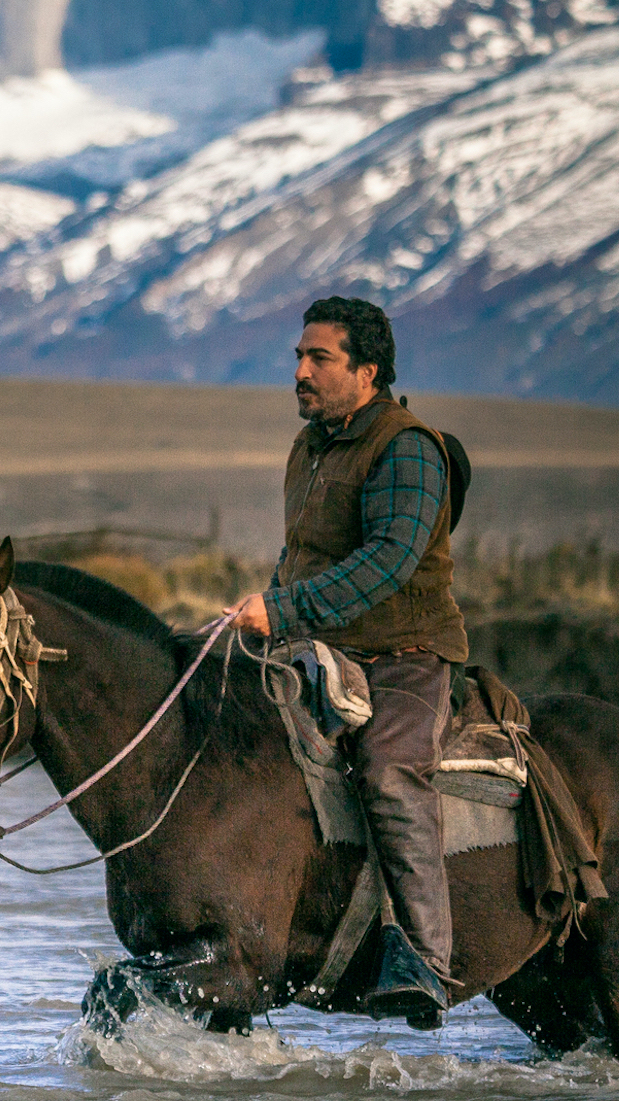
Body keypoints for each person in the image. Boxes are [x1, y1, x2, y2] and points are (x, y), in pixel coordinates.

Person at [226, 295, 468, 1028]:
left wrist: (288, 610)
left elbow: (389, 560)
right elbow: (300, 556)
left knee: (389, 768)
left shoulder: (408, 447)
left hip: (404, 655)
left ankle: (425, 959)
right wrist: (264, 614)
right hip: (316, 646)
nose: (300, 371)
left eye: (318, 358)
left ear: (367, 370)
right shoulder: (311, 446)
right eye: (298, 357)